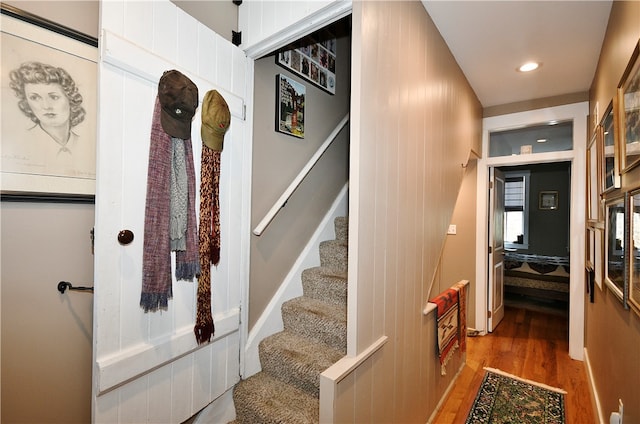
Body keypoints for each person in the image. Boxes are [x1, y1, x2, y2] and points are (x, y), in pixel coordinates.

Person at [6, 61, 92, 177]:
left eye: (54, 97)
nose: (46, 106)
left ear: (70, 99)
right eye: (35, 98)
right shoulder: (21, 145)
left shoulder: (87, 146)